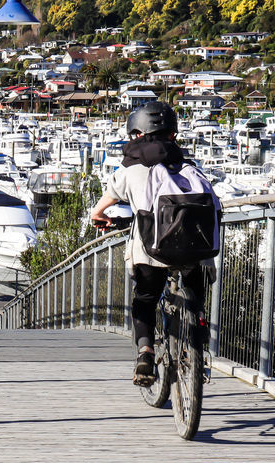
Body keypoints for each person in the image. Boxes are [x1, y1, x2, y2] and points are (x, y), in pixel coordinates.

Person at [89, 101, 212, 386]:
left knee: (144, 299)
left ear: (136, 133)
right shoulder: (188, 166)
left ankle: (145, 352)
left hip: (151, 250)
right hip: (196, 249)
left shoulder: (130, 169)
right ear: (173, 135)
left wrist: (98, 215)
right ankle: (198, 330)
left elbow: (108, 198)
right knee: (195, 288)